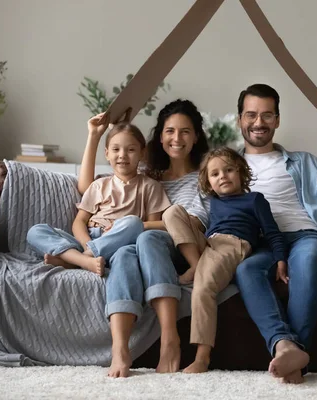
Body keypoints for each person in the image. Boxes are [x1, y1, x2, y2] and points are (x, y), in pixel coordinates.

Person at [234, 83, 317, 384]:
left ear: (277, 120)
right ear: (240, 119)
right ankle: (286, 347)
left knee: (304, 262)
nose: (258, 123)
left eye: (267, 115)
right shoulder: (227, 166)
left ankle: (294, 356)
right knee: (246, 268)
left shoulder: (303, 162)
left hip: (306, 236)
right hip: (263, 243)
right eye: (251, 115)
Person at [77, 99, 210, 378]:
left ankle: (169, 338)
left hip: (186, 245)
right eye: (170, 131)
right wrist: (97, 134)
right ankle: (120, 349)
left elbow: (194, 221)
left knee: (144, 239)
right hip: (142, 245)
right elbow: (92, 184)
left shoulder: (207, 175)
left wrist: (129, 225)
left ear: (196, 136)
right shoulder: (149, 175)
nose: (177, 138)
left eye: (185, 131)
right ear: (160, 137)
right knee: (129, 251)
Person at [162, 147, 287, 373]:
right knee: (171, 213)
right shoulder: (214, 202)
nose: (223, 176)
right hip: (209, 243)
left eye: (229, 170)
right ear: (209, 182)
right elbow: (200, 226)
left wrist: (280, 259)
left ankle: (202, 357)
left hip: (233, 244)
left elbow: (272, 232)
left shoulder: (255, 200)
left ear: (240, 172)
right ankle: (195, 264)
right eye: (215, 174)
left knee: (203, 288)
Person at [27, 123, 170, 276]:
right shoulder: (99, 185)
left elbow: (150, 227)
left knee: (134, 223)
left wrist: (122, 227)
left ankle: (74, 260)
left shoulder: (150, 187)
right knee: (35, 231)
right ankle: (83, 259)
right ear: (107, 154)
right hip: (88, 239)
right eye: (116, 149)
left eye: (131, 150)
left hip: (118, 242)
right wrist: (87, 244)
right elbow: (79, 221)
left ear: (142, 153)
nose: (122, 155)